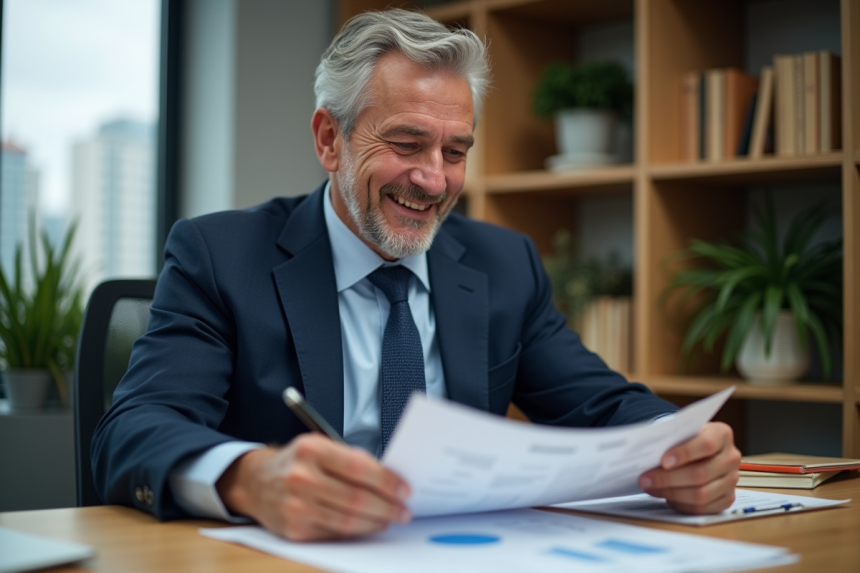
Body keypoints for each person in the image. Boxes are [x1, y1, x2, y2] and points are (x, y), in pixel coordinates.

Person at [92, 9, 740, 542]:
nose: (433, 178)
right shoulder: (219, 254)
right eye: (406, 144)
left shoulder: (504, 264)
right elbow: (132, 429)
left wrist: (682, 445)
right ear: (329, 139)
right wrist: (250, 477)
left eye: (455, 151)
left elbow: (599, 402)